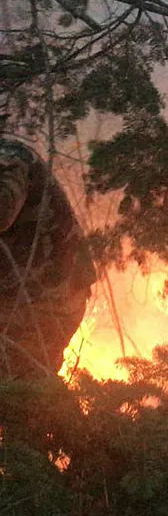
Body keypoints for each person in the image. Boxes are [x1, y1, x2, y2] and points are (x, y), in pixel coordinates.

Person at [0, 137, 96, 377]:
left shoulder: (11, 157)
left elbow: (3, 209)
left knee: (24, 387)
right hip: (18, 295)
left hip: (50, 299)